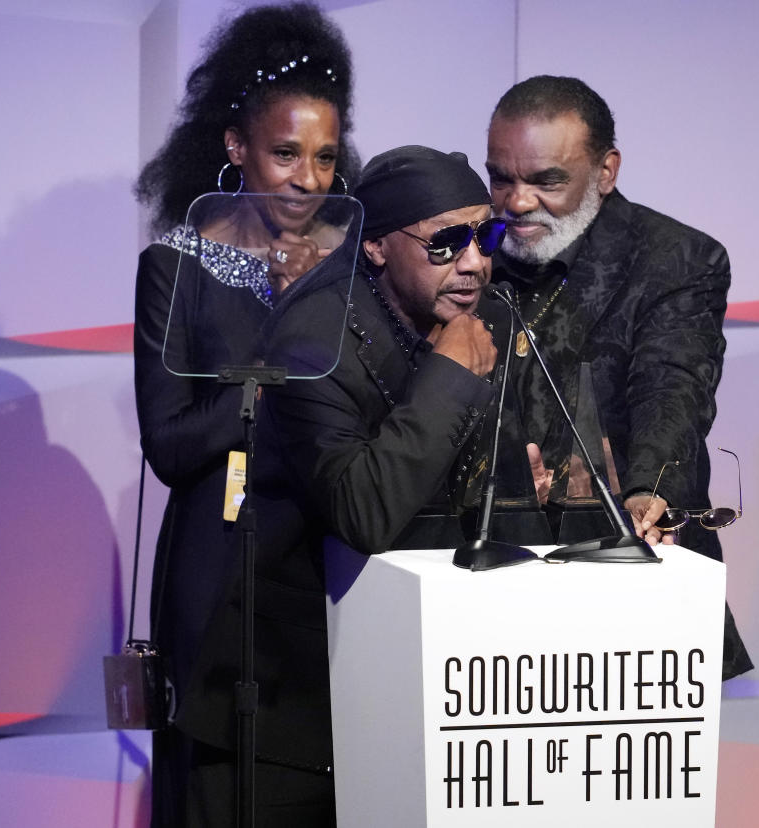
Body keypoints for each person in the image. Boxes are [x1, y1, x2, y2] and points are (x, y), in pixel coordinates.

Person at [171, 145, 504, 825]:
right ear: (378, 247)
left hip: (395, 695)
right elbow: (365, 510)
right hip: (279, 717)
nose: (474, 261)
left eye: (486, 235)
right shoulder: (309, 344)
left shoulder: (476, 319)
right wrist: (451, 381)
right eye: (447, 242)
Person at [130, 4, 358, 826]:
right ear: (235, 147)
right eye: (285, 154)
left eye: (325, 158)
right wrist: (269, 384)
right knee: (212, 787)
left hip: (320, 560)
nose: (307, 179)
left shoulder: (350, 268)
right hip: (214, 554)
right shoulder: (175, 266)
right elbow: (171, 442)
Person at [485, 75, 754, 679]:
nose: (517, 201)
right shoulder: (473, 252)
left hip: (630, 584)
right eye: (501, 177)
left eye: (546, 180)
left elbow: (674, 382)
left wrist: (648, 488)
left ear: (606, 172)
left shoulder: (676, 258)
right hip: (488, 589)